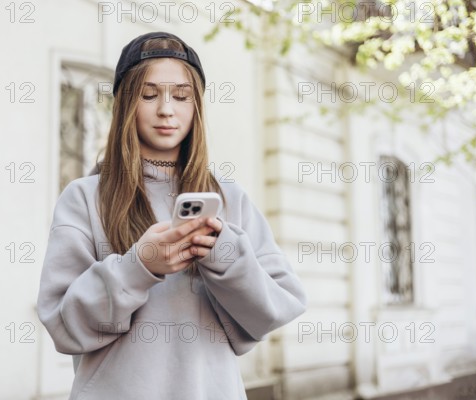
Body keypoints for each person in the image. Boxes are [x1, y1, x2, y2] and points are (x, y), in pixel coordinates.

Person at [37, 31, 306, 399]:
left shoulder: (229, 199)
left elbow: (277, 307)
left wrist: (223, 255)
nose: (166, 109)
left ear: (196, 106)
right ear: (125, 104)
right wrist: (139, 266)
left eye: (181, 96)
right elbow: (64, 325)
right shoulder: (84, 198)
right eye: (149, 95)